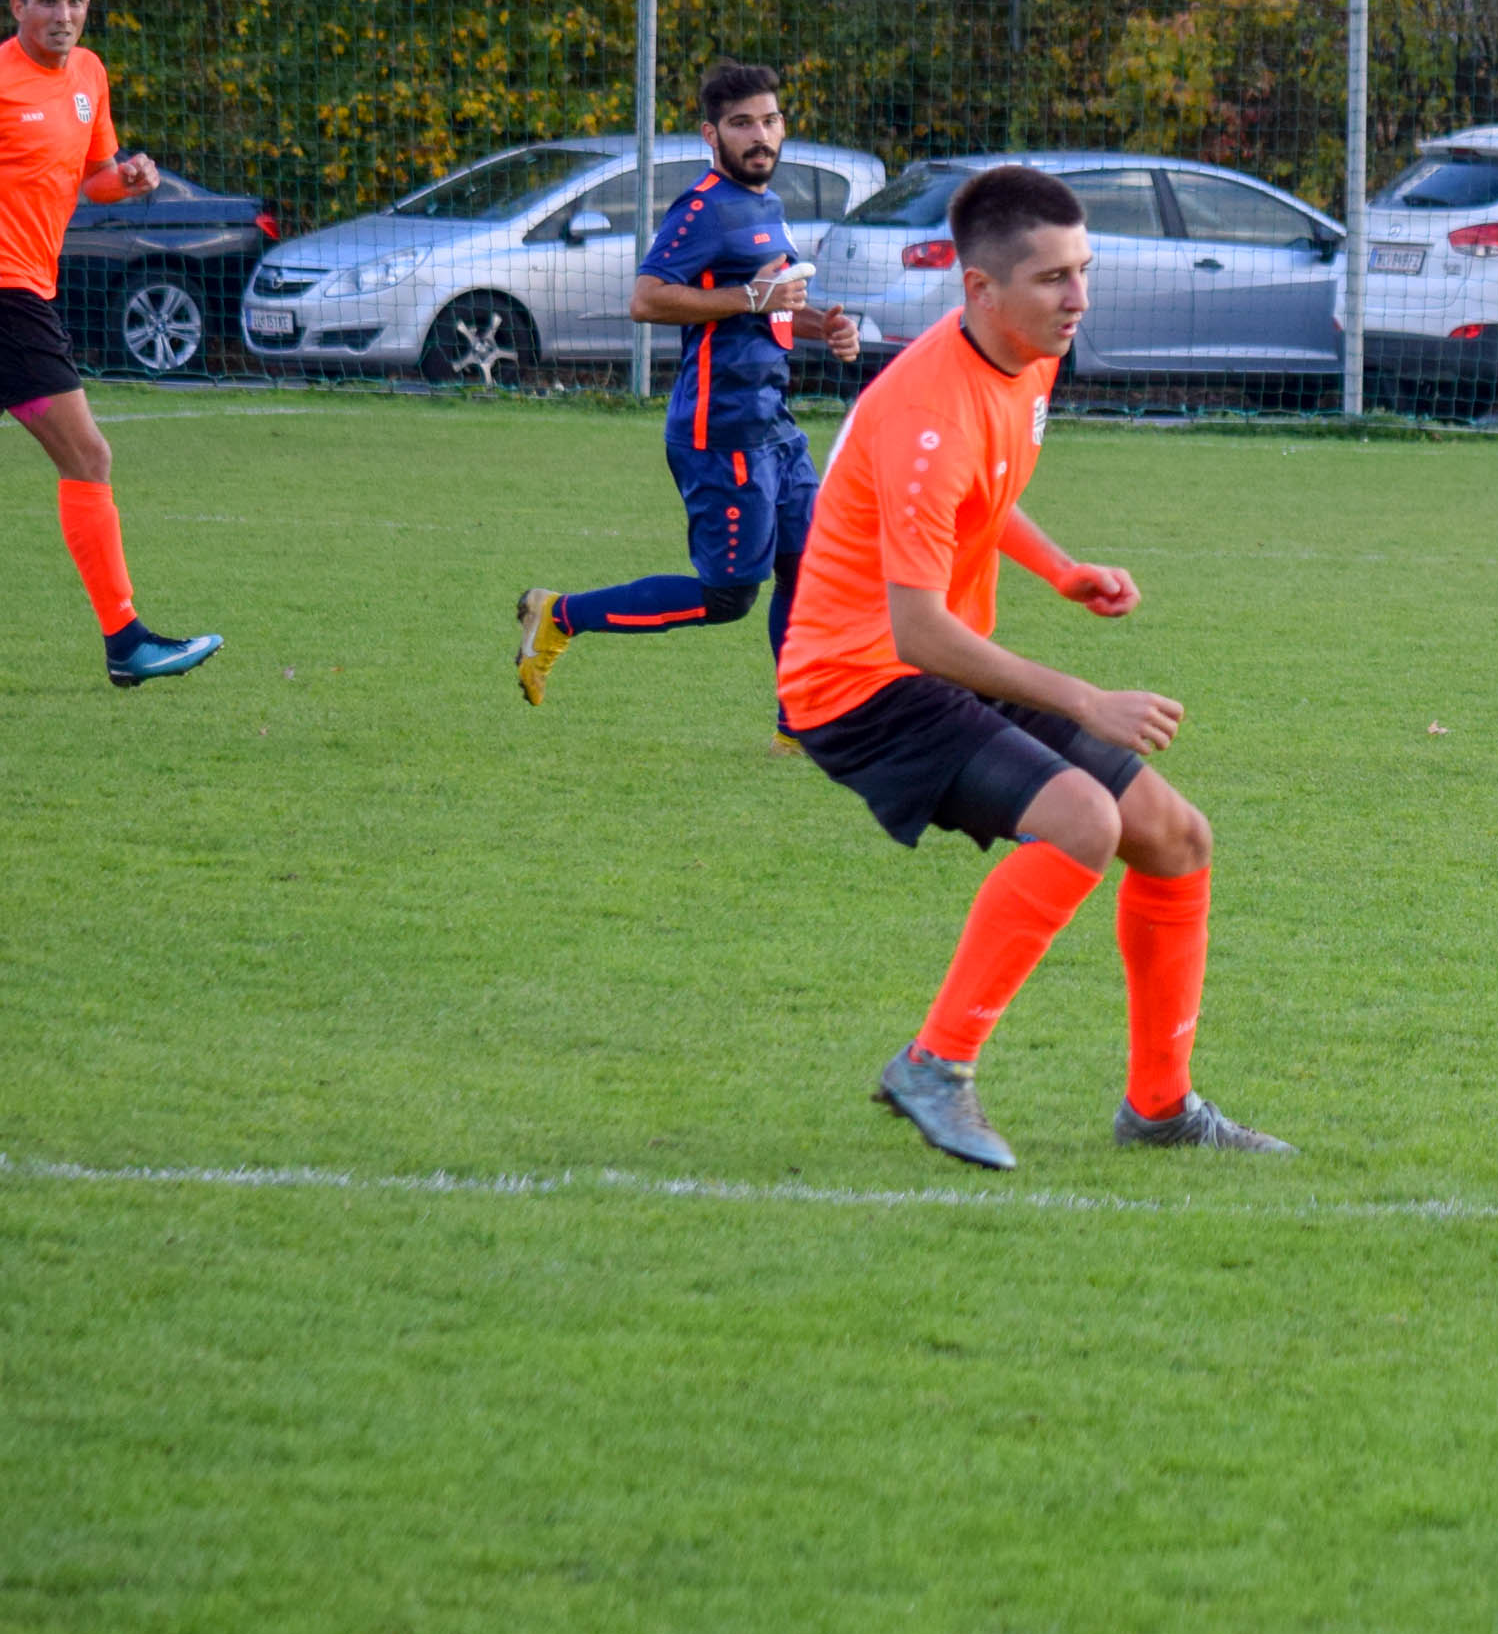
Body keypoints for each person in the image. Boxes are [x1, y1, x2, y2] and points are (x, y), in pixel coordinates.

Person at [777, 162, 1290, 1169]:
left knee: (1174, 836)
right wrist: (1086, 699)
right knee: (1083, 821)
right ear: (980, 287)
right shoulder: (928, 413)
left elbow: (986, 491)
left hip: (933, 666)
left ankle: (1160, 1108)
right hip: (858, 684)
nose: (1079, 297)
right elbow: (917, 632)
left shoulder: (1024, 354)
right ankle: (935, 1065)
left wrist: (1059, 569)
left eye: (1083, 269)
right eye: (1054, 277)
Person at [514, 61, 858, 726]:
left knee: (809, 568)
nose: (759, 135)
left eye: (769, 120)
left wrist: (823, 326)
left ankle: (799, 728)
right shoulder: (701, 210)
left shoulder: (768, 206)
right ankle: (559, 615)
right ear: (711, 134)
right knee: (728, 598)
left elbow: (770, 306)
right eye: (742, 124)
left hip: (774, 423)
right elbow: (647, 299)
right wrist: (752, 296)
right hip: (720, 429)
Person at [0, 0, 220, 687]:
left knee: (87, 459)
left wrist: (128, 180)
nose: (63, 15)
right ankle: (127, 642)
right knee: (89, 457)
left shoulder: (89, 75)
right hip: (7, 294)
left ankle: (128, 645)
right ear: (17, 9)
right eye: (48, 1)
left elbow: (93, 178)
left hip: (30, 288)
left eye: (75, 2)